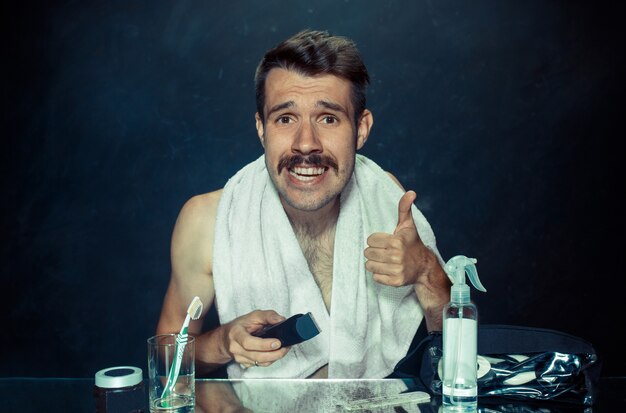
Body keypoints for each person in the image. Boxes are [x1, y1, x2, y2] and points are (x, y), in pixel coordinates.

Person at [156, 29, 451, 379]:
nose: (306, 144)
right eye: (285, 118)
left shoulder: (388, 201)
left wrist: (426, 270)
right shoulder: (208, 222)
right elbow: (164, 362)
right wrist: (222, 343)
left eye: (328, 118)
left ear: (360, 129)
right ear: (261, 129)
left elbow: (457, 352)